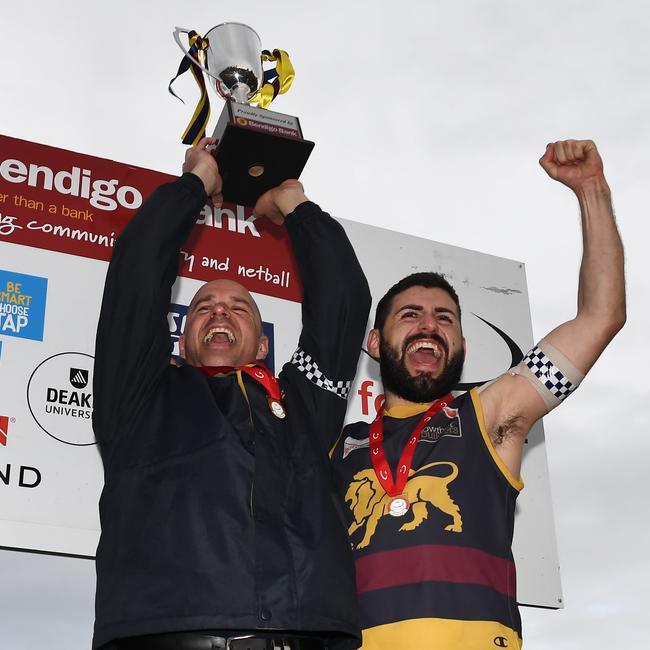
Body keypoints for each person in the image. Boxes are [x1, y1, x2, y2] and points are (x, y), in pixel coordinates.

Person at [330, 139, 625, 650]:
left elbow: (600, 317)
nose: (429, 326)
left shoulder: (490, 415)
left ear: (462, 346)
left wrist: (591, 190)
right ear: (375, 343)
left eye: (445, 318)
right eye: (410, 315)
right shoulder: (337, 447)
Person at [92, 137, 371, 650]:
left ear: (263, 343)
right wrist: (196, 183)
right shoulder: (141, 399)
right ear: (181, 336)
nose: (220, 311)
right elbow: (136, 270)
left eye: (239, 307)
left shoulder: (303, 403)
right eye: (204, 306)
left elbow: (344, 298)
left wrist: (292, 201)